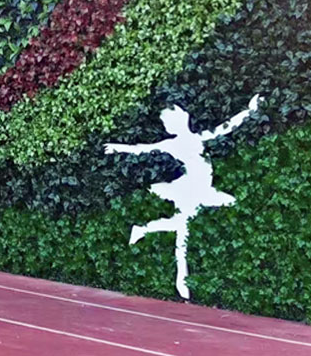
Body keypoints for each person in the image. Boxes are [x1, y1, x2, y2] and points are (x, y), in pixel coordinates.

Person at [104, 94, 261, 299]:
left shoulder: (199, 137)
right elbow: (142, 149)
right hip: (191, 190)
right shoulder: (172, 144)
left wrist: (249, 110)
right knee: (184, 232)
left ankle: (144, 229)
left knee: (216, 209)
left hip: (203, 189)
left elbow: (227, 126)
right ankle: (182, 280)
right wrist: (118, 147)